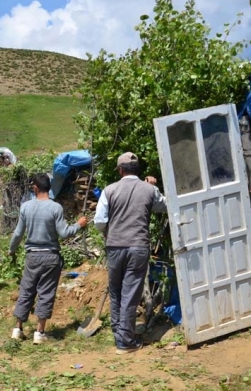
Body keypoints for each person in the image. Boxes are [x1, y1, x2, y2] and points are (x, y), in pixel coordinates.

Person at [94, 152, 167, 355]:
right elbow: (164, 206)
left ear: (120, 170)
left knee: (116, 290)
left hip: (114, 246)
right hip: (137, 246)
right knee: (130, 292)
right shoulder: (148, 190)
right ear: (138, 170)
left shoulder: (109, 190)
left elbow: (99, 222)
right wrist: (154, 186)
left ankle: (119, 331)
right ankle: (125, 341)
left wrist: (110, 230)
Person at [9, 173, 87, 344]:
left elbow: (17, 234)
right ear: (48, 188)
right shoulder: (55, 208)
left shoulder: (26, 207)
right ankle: (39, 332)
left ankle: (18, 329)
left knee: (27, 290)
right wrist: (79, 225)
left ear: (35, 188)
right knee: (45, 293)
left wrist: (11, 250)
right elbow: (64, 233)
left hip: (32, 256)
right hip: (51, 256)